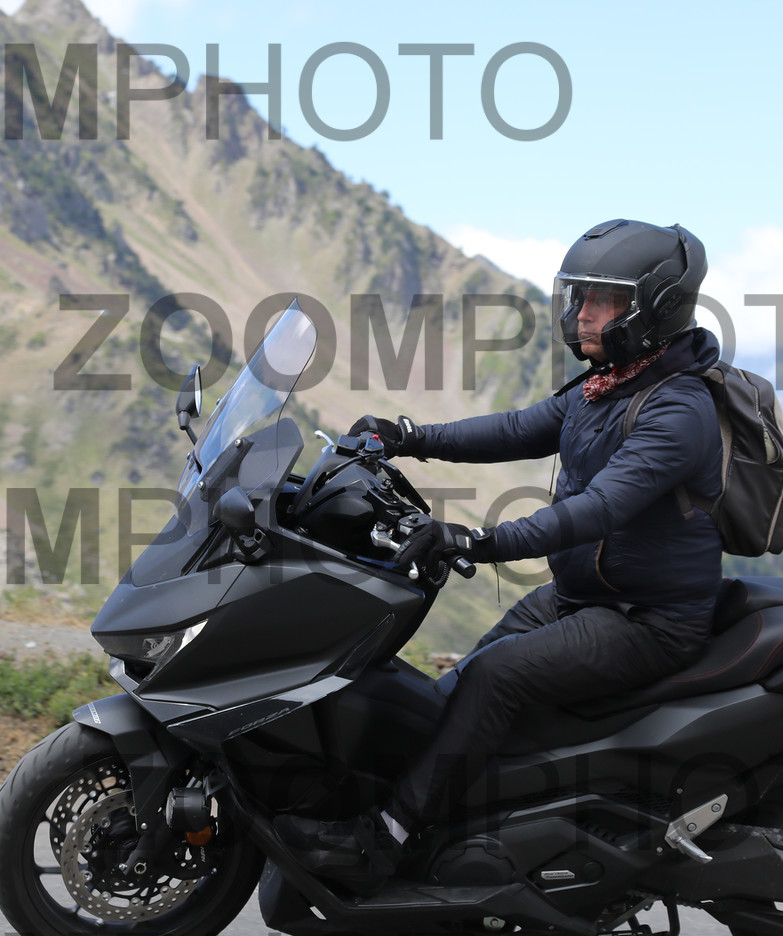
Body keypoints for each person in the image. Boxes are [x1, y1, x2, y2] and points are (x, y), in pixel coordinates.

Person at [276, 219, 725, 894]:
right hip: (581, 597)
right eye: (580, 296)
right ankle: (457, 817)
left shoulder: (678, 410)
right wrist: (407, 436)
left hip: (648, 619)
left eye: (604, 300)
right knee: (459, 685)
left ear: (655, 308)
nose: (583, 313)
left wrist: (478, 541)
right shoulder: (609, 384)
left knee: (496, 677)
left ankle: (384, 841)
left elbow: (598, 509)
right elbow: (516, 429)